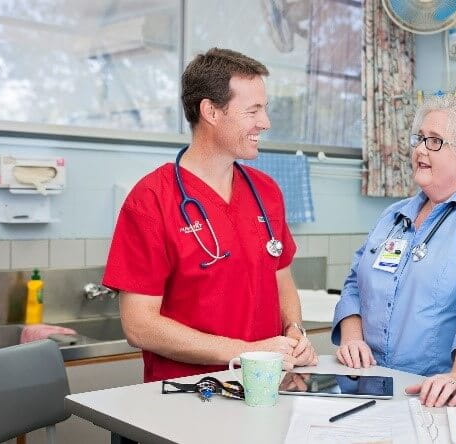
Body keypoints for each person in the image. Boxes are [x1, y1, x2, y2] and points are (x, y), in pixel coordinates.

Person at [103, 48, 317, 382]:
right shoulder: (151, 200)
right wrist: (243, 352)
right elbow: (140, 325)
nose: (265, 122)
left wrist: (294, 331)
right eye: (252, 111)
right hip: (187, 396)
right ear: (211, 111)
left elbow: (281, 280)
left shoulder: (267, 192)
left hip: (265, 387)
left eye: (264, 109)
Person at [331, 94, 456, 407]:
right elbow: (355, 284)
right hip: (374, 384)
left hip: (441, 394)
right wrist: (352, 336)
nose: (421, 149)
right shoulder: (395, 215)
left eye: (436, 141)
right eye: (420, 138)